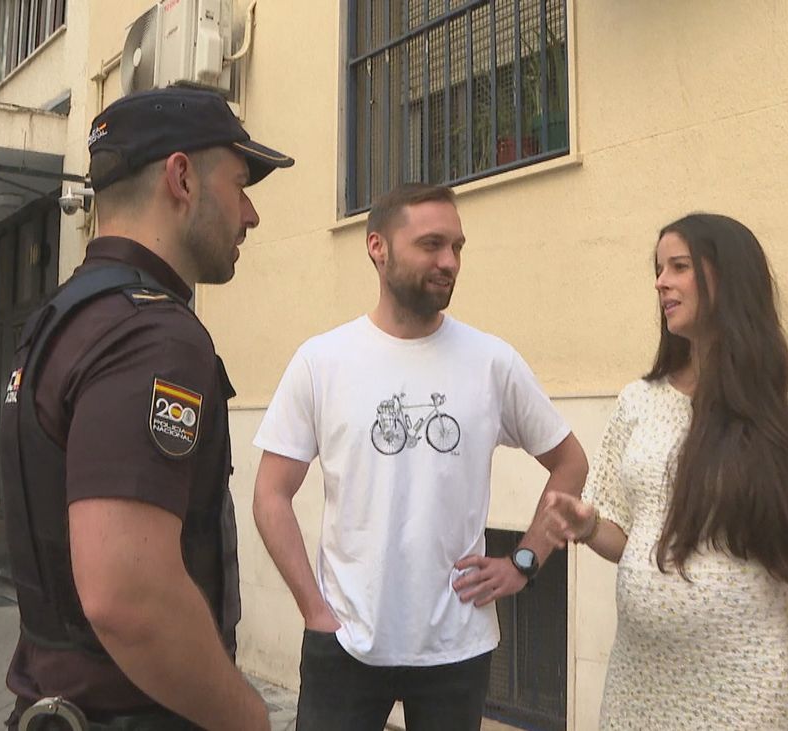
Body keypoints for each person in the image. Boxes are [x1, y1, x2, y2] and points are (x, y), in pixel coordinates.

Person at [0, 87, 293, 731]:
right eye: (241, 184)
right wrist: (248, 718)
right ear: (182, 177)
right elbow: (128, 596)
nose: (251, 215)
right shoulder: (152, 337)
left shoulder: (61, 318)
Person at [251, 183, 589, 731]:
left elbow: (570, 461)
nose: (449, 262)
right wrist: (314, 610)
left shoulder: (491, 362)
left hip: (456, 645)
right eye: (431, 244)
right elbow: (270, 495)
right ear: (377, 247)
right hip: (346, 641)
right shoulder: (322, 361)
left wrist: (525, 561)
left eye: (457, 247)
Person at [538, 213, 788, 730]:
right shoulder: (638, 400)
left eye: (679, 266)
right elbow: (629, 536)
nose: (661, 282)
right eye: (658, 269)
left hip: (743, 686)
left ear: (729, 278)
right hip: (640, 683)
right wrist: (587, 527)